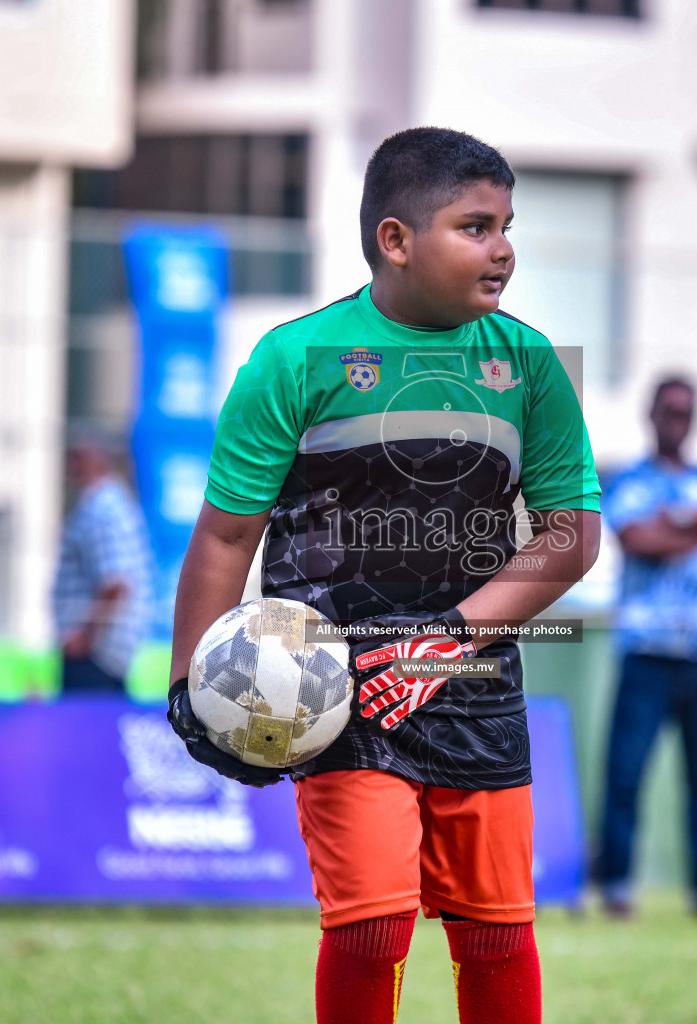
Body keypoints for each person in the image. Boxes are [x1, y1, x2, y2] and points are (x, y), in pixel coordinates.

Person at [164, 128, 601, 1024]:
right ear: (395, 240)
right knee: (369, 927)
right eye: (475, 227)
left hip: (476, 678)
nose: (504, 248)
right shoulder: (293, 361)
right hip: (342, 687)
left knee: (496, 934)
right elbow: (222, 539)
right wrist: (188, 690)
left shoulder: (530, 366)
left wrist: (456, 637)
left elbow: (573, 534)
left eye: (507, 226)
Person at [594, 377, 697, 920]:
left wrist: (683, 522)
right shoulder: (630, 481)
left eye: (687, 412)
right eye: (669, 410)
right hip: (648, 651)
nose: (677, 420)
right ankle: (617, 883)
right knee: (626, 773)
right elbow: (638, 539)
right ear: (651, 414)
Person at [53, 438, 152, 692]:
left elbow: (115, 583)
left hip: (95, 656)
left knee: (80, 728)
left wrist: (85, 637)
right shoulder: (116, 504)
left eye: (76, 460)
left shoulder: (101, 508)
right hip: (106, 654)